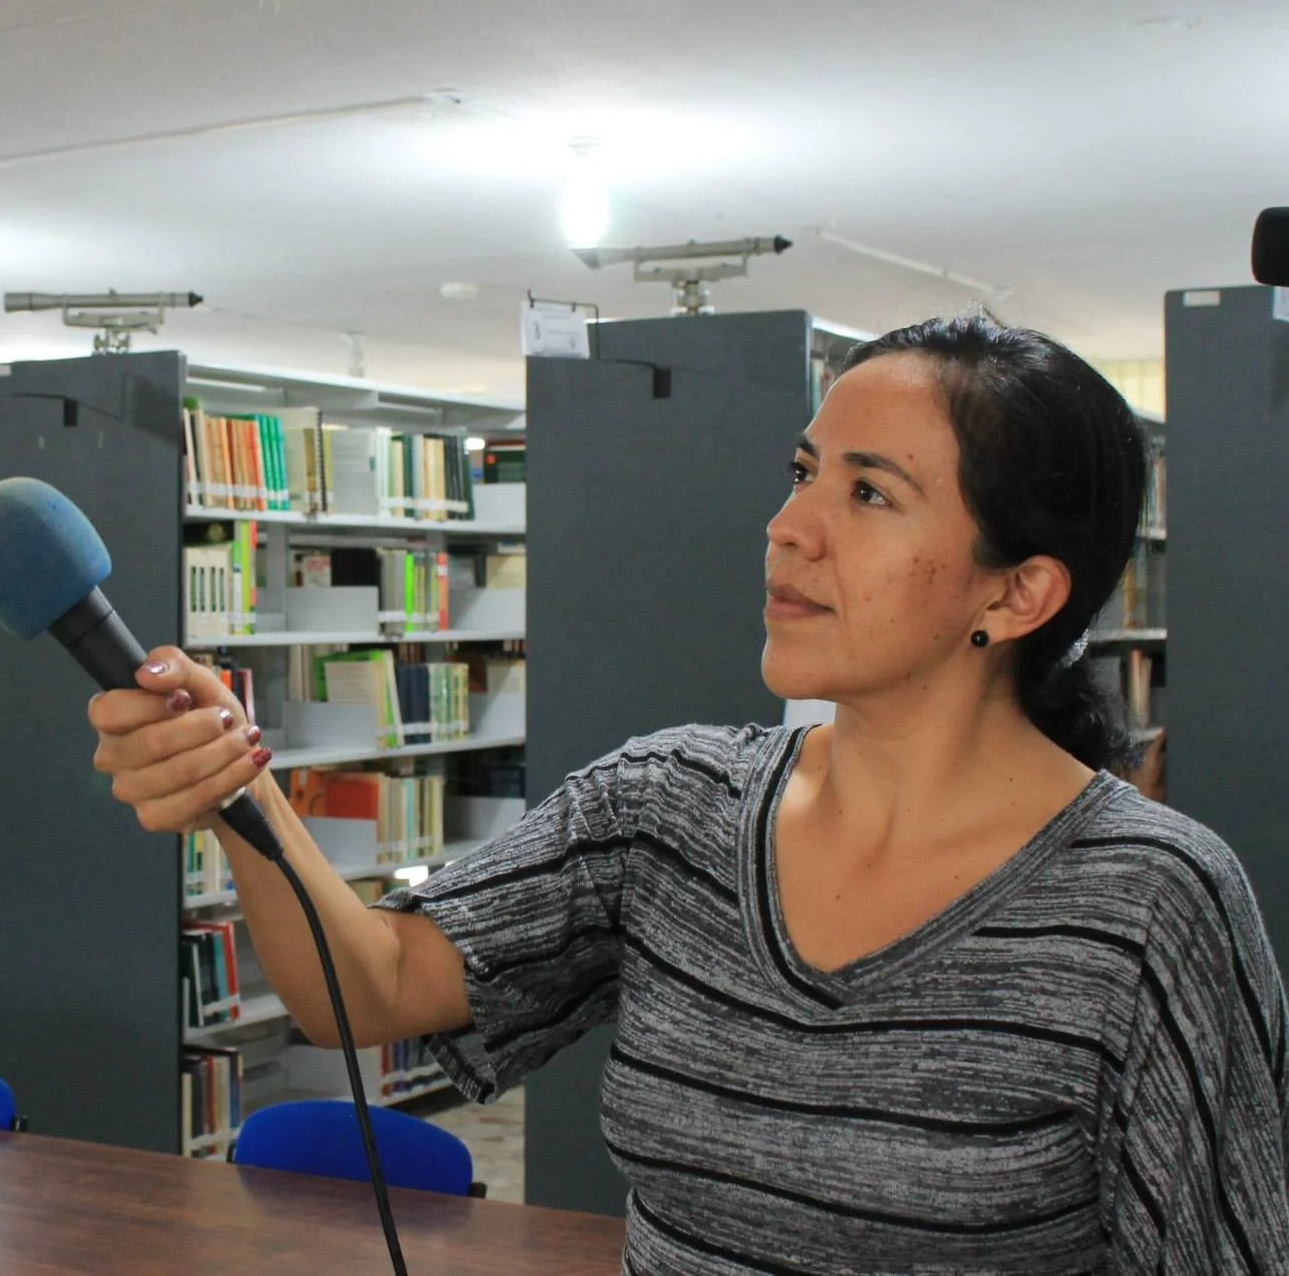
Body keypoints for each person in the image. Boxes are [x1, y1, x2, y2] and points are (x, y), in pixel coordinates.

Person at [92, 314, 1289, 1273]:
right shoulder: (665, 807)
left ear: (1018, 592)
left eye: (866, 494)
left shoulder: (1147, 903)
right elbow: (375, 988)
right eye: (801, 473)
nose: (784, 528)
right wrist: (237, 790)